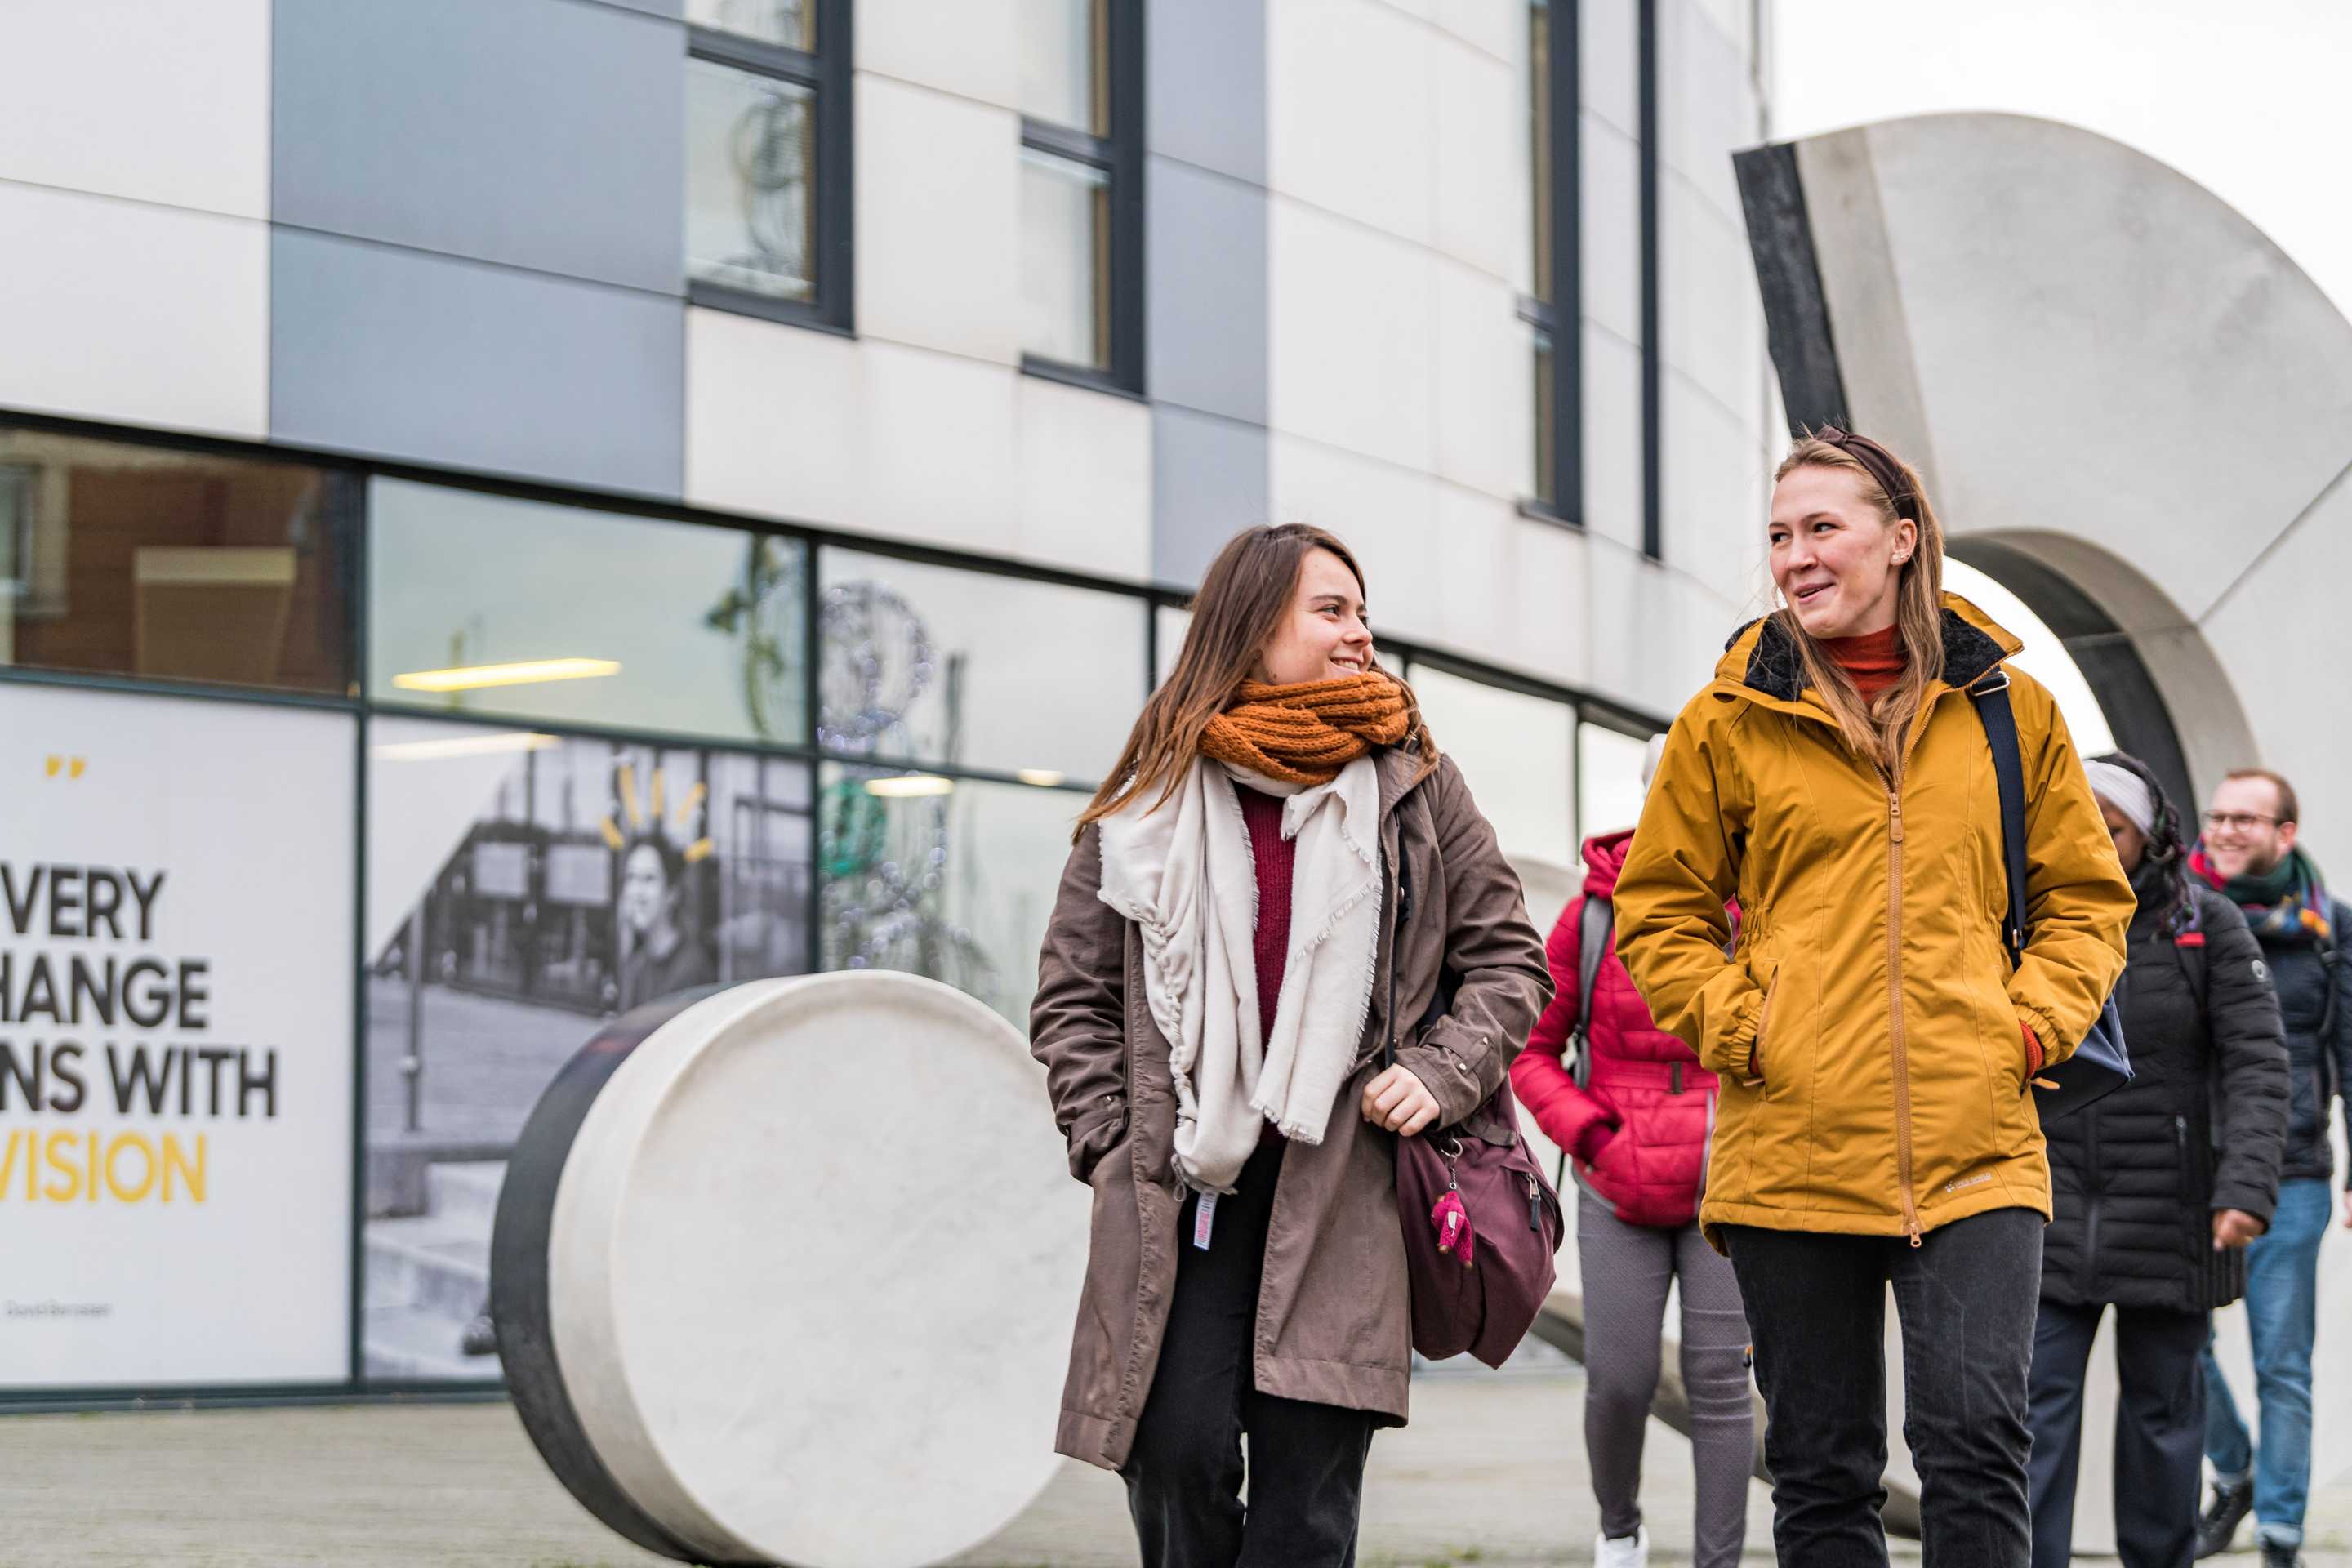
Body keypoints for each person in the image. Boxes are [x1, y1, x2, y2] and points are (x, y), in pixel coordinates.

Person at [1614, 426, 2134, 1566]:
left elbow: (2088, 902)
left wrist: (2026, 1027)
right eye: (1779, 536)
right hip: (1790, 1146)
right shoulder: (1726, 720)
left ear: (1900, 540)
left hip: (1978, 1145)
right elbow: (1658, 912)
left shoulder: (2013, 712)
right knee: (1820, 1468)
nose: (1795, 556)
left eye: (1822, 528)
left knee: (1978, 1449)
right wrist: (1748, 1028)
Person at [1030, 523, 1550, 1566]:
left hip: (1346, 1188)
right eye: (1332, 610)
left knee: (1305, 1512)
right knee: (1173, 1458)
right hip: (1183, 1191)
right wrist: (1111, 1140)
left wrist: (1438, 1073)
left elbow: (1509, 963)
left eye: (1364, 613)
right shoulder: (1149, 793)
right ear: (1255, 626)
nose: (1360, 634)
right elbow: (1073, 998)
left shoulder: (1415, 784)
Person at [2025, 751, 2287, 1568]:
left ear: (2150, 835)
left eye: (2110, 828)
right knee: (2029, 1421)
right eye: (2077, 824)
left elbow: (2259, 1062)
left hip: (2174, 1219)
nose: (2092, 841)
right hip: (2045, 1213)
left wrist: (2246, 1188)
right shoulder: (2022, 922)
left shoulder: (2207, 925)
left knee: (2165, 1427)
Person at [1512, 736, 1751, 1568]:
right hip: (1619, 1186)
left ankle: (1719, 1560)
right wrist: (1590, 1133)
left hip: (1729, 1183)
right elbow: (1531, 1050)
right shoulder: (1592, 914)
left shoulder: (1762, 904)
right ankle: (1620, 1528)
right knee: (1620, 1378)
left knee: (1723, 1386)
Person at [2191, 768, 2352, 1566]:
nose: (2224, 830)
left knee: (2282, 1363)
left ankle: (2281, 1536)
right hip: (2192, 1169)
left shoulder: (2329, 927)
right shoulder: (2178, 912)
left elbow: (2349, 1051)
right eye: (2217, 816)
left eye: (2244, 820)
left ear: (2285, 833)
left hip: (2294, 1173)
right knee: (2180, 1345)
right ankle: (2236, 1473)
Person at [616, 833, 715, 1012]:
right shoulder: (637, 966)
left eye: (649, 879)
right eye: (631, 877)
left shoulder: (691, 969)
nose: (636, 891)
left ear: (671, 894)